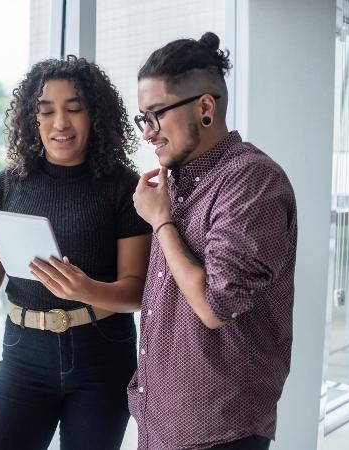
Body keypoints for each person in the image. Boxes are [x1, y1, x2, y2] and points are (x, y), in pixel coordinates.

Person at [0, 55, 152, 450]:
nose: (60, 123)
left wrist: (85, 289)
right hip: (23, 355)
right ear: (33, 119)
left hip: (102, 355)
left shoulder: (122, 187)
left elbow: (137, 291)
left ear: (95, 116)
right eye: (47, 112)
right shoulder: (7, 185)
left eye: (74, 109)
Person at [130, 32, 297, 450]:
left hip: (220, 429)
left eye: (155, 115)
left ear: (205, 107)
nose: (147, 133)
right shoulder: (178, 184)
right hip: (164, 420)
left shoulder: (253, 180)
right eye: (142, 119)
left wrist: (162, 223)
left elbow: (213, 306)